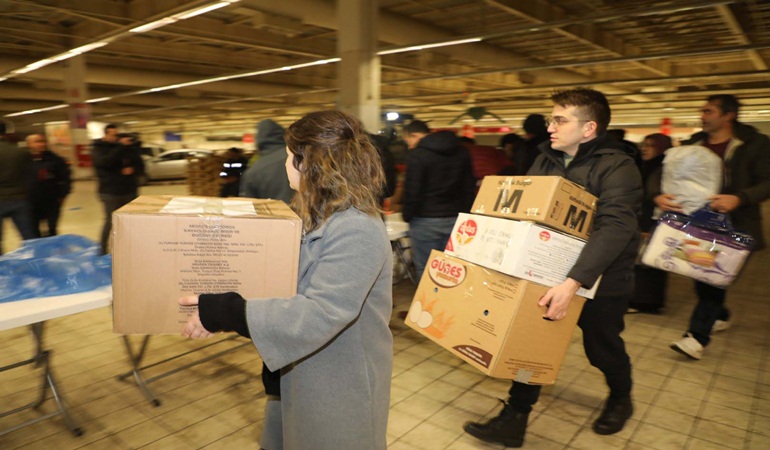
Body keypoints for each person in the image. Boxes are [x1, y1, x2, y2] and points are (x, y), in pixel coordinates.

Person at [178, 110, 393, 450]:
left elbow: (321, 312)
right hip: (296, 373)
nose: (284, 164)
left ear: (309, 163)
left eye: (290, 156)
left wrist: (229, 311)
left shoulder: (358, 228)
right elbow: (280, 282)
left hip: (340, 383)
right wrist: (216, 310)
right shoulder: (314, 215)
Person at [463, 89, 642, 448]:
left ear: (589, 128)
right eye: (550, 119)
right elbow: (525, 211)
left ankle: (621, 396)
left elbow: (616, 227)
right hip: (546, 270)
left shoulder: (618, 166)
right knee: (532, 344)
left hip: (600, 277)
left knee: (601, 347)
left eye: (560, 120)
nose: (550, 127)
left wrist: (574, 282)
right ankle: (514, 418)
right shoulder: (545, 160)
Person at [661, 94, 770, 360]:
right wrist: (659, 194)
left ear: (728, 114)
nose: (702, 115)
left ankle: (696, 338)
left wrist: (739, 198)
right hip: (699, 221)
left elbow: (767, 182)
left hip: (736, 223)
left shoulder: (754, 144)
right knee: (701, 276)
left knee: (713, 279)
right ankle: (721, 315)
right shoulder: (694, 143)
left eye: (708, 111)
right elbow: (668, 174)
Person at [402, 120, 476, 278]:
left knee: (426, 269)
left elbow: (412, 191)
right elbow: (469, 186)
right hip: (456, 219)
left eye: (408, 141)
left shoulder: (417, 155)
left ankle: (427, 303)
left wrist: (407, 215)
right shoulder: (462, 152)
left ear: (415, 135)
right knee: (454, 270)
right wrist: (467, 214)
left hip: (425, 221)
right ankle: (450, 302)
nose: (409, 146)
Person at [629, 133, 672, 314]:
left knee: (648, 263)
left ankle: (646, 302)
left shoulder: (662, 168)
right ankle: (644, 301)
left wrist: (645, 226)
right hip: (647, 220)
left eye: (650, 145)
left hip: (653, 221)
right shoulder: (646, 165)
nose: (644, 149)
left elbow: (649, 199)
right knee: (645, 262)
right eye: (644, 145)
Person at [92, 125, 145, 254]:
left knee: (130, 222)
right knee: (110, 221)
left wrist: (133, 168)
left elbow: (141, 166)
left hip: (129, 190)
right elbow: (105, 163)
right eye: (113, 135)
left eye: (117, 135)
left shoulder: (127, 149)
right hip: (110, 192)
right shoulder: (99, 148)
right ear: (106, 135)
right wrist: (120, 147)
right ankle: (102, 251)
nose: (116, 138)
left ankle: (129, 250)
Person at [0, 122, 36, 254]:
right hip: (20, 199)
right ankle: (34, 265)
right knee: (29, 237)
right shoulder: (20, 152)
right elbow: (31, 176)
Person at [26, 134, 72, 237]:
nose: (41, 144)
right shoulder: (24, 160)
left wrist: (62, 196)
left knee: (52, 228)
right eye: (37, 141)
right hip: (31, 202)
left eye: (43, 141)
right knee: (33, 230)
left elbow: (65, 179)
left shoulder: (56, 160)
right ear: (29, 144)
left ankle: (53, 250)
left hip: (52, 201)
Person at [240, 119, 294, 203]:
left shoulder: (254, 170)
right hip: (306, 213)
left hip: (276, 215)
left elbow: (249, 205)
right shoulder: (299, 157)